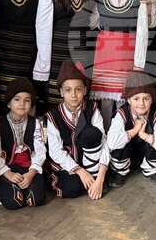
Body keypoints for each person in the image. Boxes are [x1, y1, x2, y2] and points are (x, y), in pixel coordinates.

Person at [89, 0, 156, 126]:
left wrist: (139, 63)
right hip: (106, 52)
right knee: (105, 100)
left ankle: (123, 133)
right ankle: (105, 134)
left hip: (128, 51)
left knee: (125, 97)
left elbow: (143, 30)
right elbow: (92, 22)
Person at [34, 0, 97, 109]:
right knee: (57, 103)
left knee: (82, 101)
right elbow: (43, 28)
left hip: (84, 53)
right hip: (59, 54)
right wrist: (44, 63)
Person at [45, 60, 109, 200]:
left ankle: (94, 177)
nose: (73, 95)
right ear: (61, 92)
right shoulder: (53, 116)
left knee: (92, 133)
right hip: (68, 164)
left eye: (78, 89)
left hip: (93, 163)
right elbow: (55, 151)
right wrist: (80, 171)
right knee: (72, 188)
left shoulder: (92, 109)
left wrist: (100, 178)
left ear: (85, 90)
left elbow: (104, 141)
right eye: (68, 90)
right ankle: (87, 180)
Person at [0, 77, 47, 209]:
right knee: (13, 203)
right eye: (17, 99)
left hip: (29, 167)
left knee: (36, 200)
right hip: (8, 167)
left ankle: (24, 186)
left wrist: (31, 174)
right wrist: (8, 173)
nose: (22, 104)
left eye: (27, 100)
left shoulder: (35, 123)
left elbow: (40, 150)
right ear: (9, 103)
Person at [107, 70, 156, 187]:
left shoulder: (155, 115)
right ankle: (120, 171)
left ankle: (150, 169)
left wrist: (146, 136)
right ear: (129, 100)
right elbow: (111, 143)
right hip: (125, 155)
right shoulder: (122, 114)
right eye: (136, 99)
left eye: (146, 98)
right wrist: (134, 131)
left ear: (152, 99)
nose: (141, 103)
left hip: (146, 155)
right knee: (119, 140)